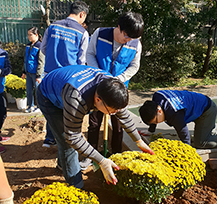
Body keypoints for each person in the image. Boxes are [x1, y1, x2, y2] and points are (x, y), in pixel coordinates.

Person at [36, 65, 154, 188]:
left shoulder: (112, 86)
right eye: (111, 111)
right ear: (98, 99)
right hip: (48, 97)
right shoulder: (76, 98)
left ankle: (63, 165)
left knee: (67, 144)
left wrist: (138, 141)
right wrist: (102, 161)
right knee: (66, 143)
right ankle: (76, 186)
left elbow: (123, 116)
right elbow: (73, 137)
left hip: (67, 85)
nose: (114, 114)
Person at [82, 12, 144, 170]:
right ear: (119, 27)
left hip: (119, 89)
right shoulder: (100, 34)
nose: (129, 40)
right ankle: (92, 155)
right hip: (97, 87)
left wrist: (121, 78)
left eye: (133, 38)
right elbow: (89, 54)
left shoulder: (135, 43)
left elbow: (134, 66)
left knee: (118, 125)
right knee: (94, 123)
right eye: (127, 36)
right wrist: (99, 75)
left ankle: (117, 154)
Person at [40, 1, 89, 148]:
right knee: (66, 110)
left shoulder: (52, 26)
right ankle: (66, 144)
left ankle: (49, 139)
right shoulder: (82, 33)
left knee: (51, 107)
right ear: (82, 14)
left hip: (49, 76)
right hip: (68, 79)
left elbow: (43, 49)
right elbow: (81, 61)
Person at [139, 90, 217, 149]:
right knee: (204, 134)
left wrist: (186, 153)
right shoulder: (157, 98)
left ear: (159, 111)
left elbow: (184, 136)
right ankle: (211, 132)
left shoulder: (175, 114)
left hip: (207, 111)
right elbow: (152, 113)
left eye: (156, 121)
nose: (157, 123)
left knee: (201, 142)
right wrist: (150, 130)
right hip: (197, 107)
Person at [21, 27, 44, 113]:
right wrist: (24, 71)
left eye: (30, 35)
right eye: (28, 35)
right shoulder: (28, 45)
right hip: (28, 72)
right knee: (29, 91)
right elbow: (26, 59)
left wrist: (39, 75)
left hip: (36, 73)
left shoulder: (40, 46)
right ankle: (30, 106)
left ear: (36, 35)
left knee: (38, 91)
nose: (29, 37)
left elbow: (41, 62)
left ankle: (39, 107)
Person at [0, 40, 12, 154]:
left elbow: (8, 69)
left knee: (3, 113)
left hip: (0, 89)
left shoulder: (4, 54)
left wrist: (0, 71)